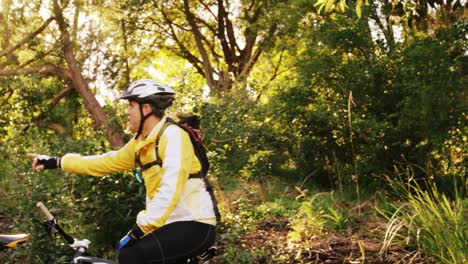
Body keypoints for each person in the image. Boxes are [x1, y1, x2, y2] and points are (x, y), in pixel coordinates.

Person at [29, 79, 217, 264]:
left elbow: (171, 187)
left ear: (146, 108)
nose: (127, 111)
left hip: (194, 222)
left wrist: (141, 227)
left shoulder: (173, 135)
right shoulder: (141, 143)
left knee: (131, 254)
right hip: (171, 223)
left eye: (131, 105)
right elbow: (104, 162)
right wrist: (57, 162)